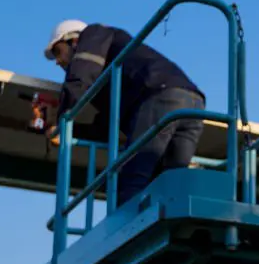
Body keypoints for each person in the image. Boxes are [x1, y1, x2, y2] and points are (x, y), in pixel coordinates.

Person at [43, 19, 207, 207]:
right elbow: (104, 128)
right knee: (169, 182)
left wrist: (61, 119)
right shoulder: (112, 77)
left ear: (74, 41)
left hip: (160, 96)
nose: (57, 61)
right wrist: (66, 131)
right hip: (193, 103)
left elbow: (79, 77)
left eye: (57, 51)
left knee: (132, 179)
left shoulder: (94, 34)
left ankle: (130, 235)